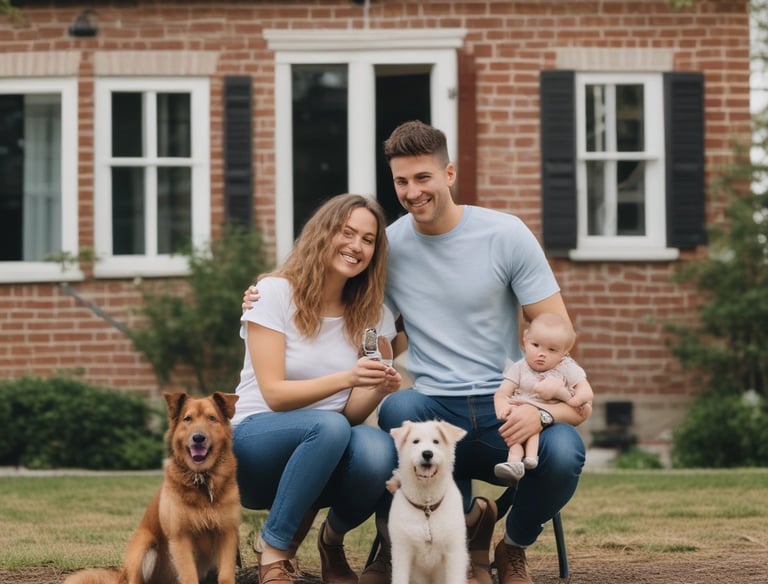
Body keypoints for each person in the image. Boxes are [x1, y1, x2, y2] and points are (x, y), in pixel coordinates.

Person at [245, 121, 593, 584]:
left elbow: (558, 330)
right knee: (400, 406)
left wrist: (543, 412)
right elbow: (337, 273)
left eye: (423, 178)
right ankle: (408, 545)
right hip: (434, 405)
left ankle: (512, 546)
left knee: (566, 453)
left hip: (503, 405)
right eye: (401, 181)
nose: (412, 191)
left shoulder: (506, 235)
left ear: (448, 174)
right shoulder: (389, 247)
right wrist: (272, 283)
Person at [232, 194, 402, 584]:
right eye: (347, 233)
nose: (356, 246)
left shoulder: (372, 315)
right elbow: (274, 393)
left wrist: (377, 387)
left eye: (368, 239)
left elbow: (350, 414)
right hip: (254, 439)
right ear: (322, 234)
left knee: (377, 451)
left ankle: (332, 539)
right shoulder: (273, 293)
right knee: (329, 427)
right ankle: (274, 553)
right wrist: (348, 378)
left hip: (322, 446)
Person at [493, 312, 594, 485]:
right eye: (536, 345)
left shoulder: (565, 368)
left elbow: (586, 393)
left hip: (547, 420)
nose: (542, 354)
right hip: (519, 411)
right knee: (516, 428)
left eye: (552, 350)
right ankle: (514, 462)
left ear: (565, 352)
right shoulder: (519, 368)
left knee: (534, 430)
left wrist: (571, 399)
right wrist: (502, 406)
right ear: (525, 339)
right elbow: (502, 393)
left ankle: (531, 458)